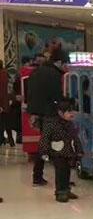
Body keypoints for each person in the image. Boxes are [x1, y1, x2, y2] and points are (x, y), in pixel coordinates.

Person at [26, 49, 67, 185]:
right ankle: (60, 180)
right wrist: (64, 107)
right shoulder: (54, 75)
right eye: (65, 64)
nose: (66, 67)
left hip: (38, 113)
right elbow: (57, 96)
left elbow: (30, 93)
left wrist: (33, 112)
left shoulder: (36, 72)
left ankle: (38, 176)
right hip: (51, 114)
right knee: (57, 146)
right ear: (59, 62)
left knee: (44, 144)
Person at [38, 98, 82, 203]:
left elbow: (75, 138)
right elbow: (45, 138)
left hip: (69, 152)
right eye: (68, 112)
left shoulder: (70, 124)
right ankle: (60, 192)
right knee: (60, 172)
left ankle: (66, 190)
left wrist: (79, 150)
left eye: (72, 111)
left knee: (67, 172)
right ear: (60, 113)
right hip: (57, 153)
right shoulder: (51, 124)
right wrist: (44, 152)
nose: (71, 114)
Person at [0, 60, 13, 147]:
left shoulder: (1, 75)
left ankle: (2, 139)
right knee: (7, 123)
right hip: (7, 102)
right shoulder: (6, 74)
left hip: (2, 103)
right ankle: (10, 140)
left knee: (1, 123)